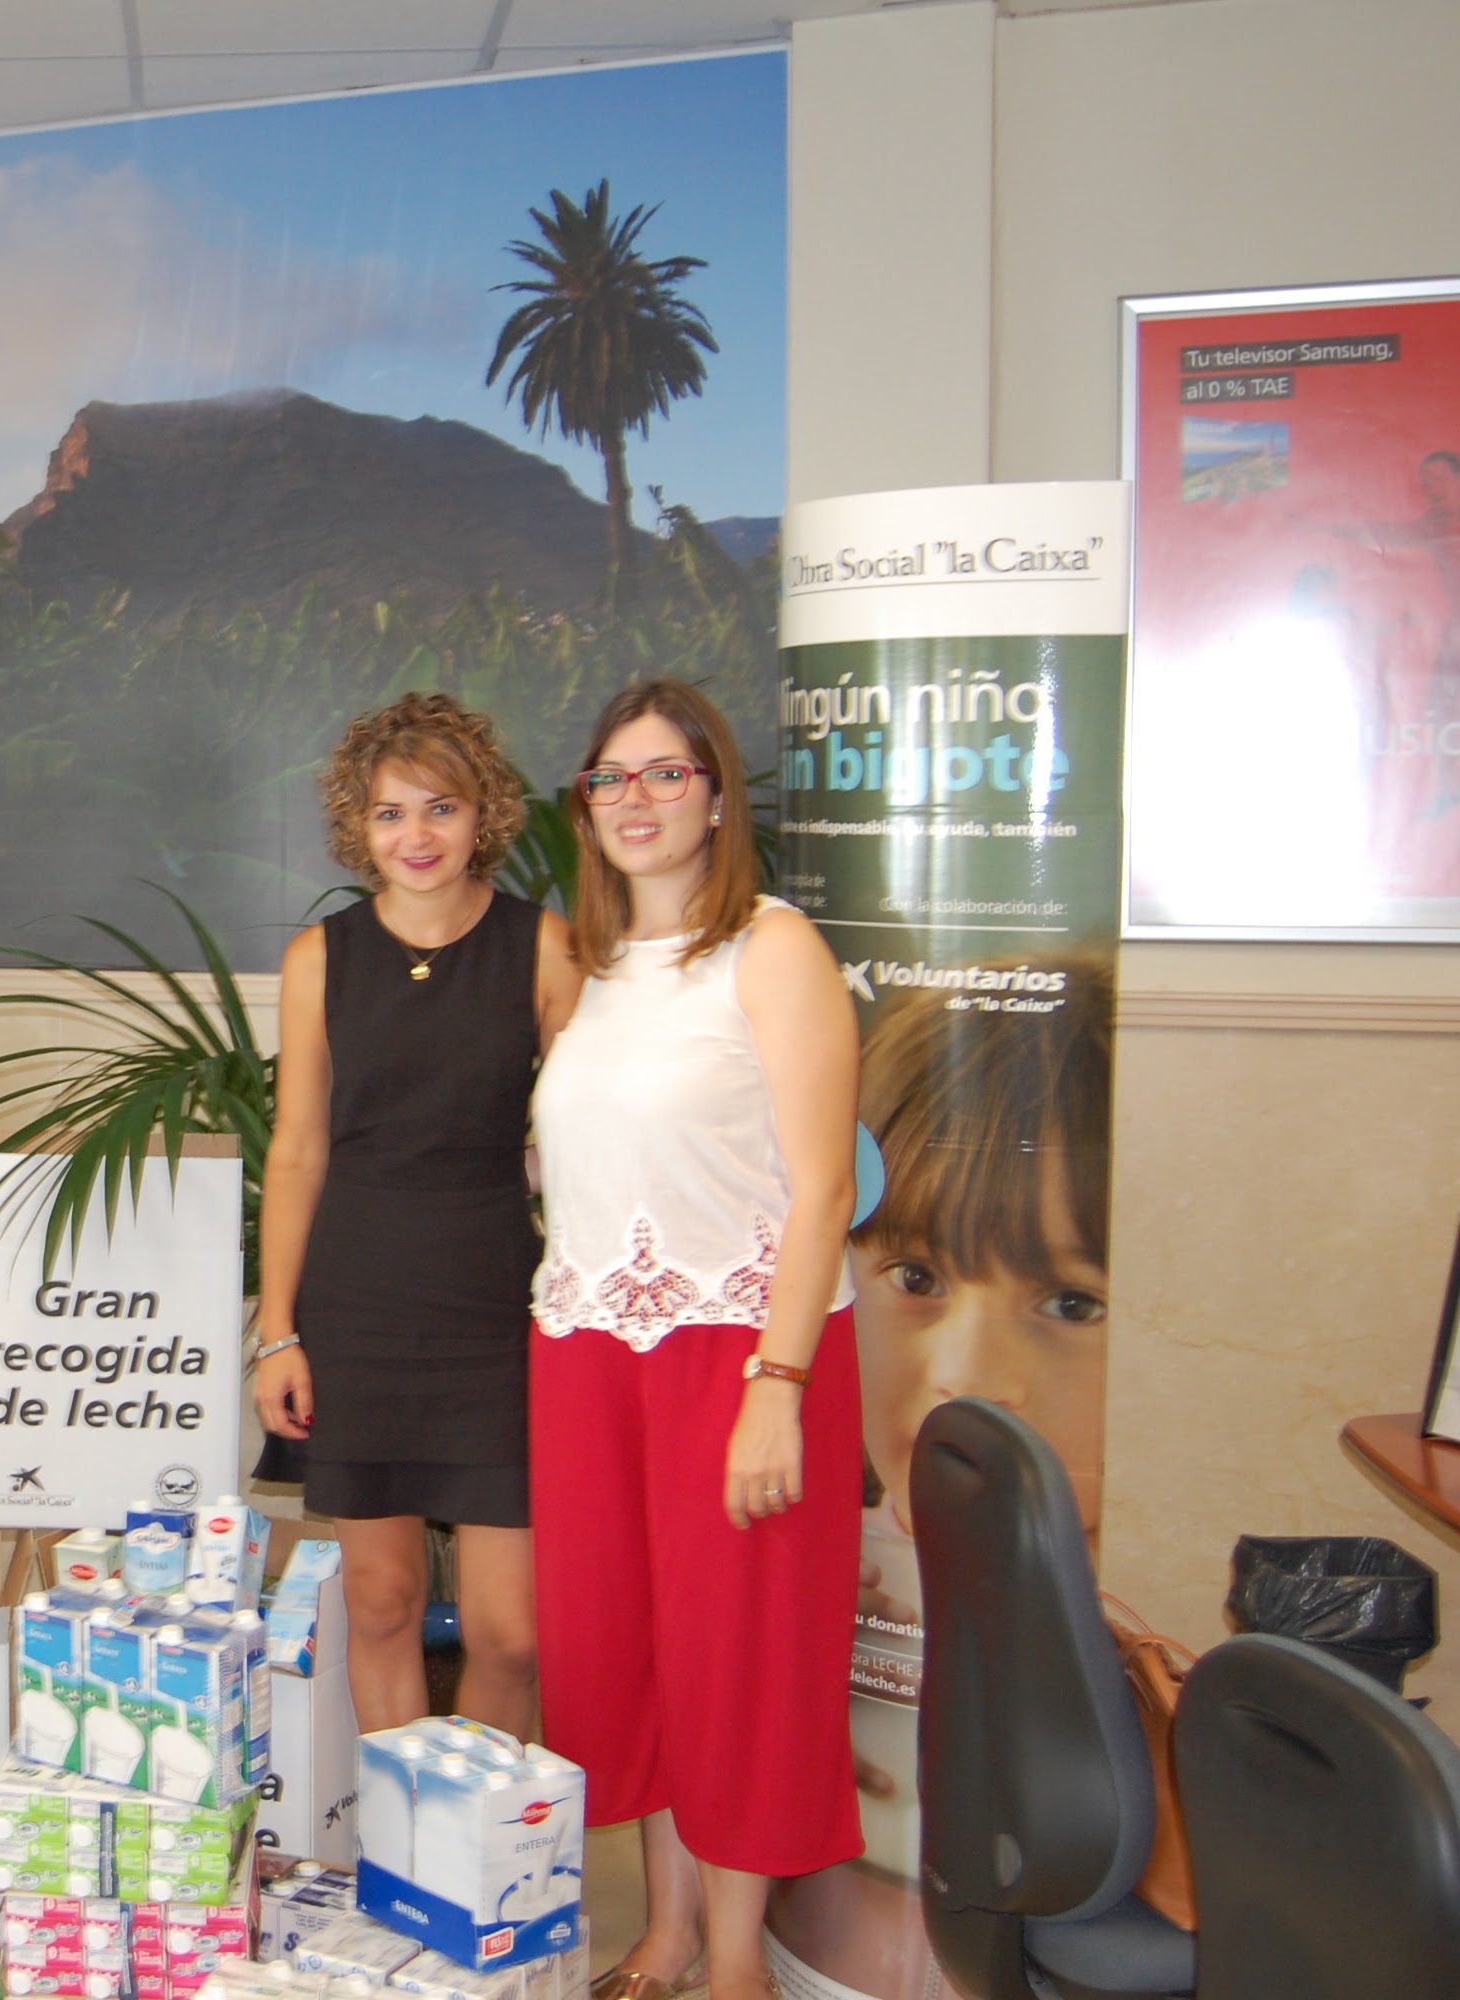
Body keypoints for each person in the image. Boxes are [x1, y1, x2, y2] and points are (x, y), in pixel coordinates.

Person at [526, 679, 861, 2000]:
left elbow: (822, 1189)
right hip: (589, 1346)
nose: (637, 799)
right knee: (631, 1653)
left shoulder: (772, 947)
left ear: (716, 797)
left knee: (740, 1658)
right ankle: (666, 1932)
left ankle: (734, 1960)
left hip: (740, 1349)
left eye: (667, 773)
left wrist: (777, 1384)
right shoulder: (594, 969)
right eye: (611, 777)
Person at [766, 962, 1116, 1998]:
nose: (967, 1374)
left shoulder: (1145, 1609)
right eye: (916, 1278)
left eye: (1068, 1302)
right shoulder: (846, 1558)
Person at [253, 693, 581, 1739]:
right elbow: (297, 1150)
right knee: (384, 1600)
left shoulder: (544, 948)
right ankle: (399, 1824)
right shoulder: (320, 958)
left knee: (510, 1633)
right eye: (390, 813)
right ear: (360, 827)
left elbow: (589, 1127)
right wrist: (277, 1332)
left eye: (441, 807)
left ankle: (480, 1825)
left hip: (496, 1309)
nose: (417, 835)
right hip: (358, 1305)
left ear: (484, 813)